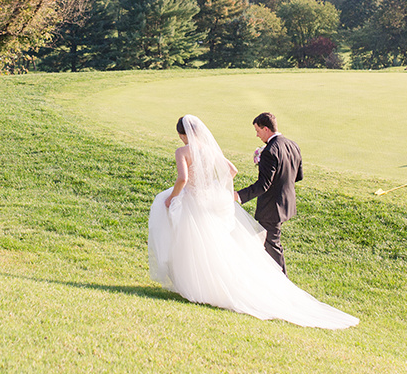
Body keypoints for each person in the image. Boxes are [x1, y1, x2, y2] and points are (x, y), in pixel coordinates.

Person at [148, 115, 358, 330]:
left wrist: (172, 197)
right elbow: (232, 170)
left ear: (183, 134)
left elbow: (182, 179)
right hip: (208, 200)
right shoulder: (210, 150)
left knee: (193, 240)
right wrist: (215, 188)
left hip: (194, 200)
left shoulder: (182, 152)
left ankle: (200, 285)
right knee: (214, 243)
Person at [235, 112, 300, 273]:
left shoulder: (270, 151)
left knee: (271, 243)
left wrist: (239, 195)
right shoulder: (293, 145)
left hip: (272, 207)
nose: (257, 135)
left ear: (266, 129)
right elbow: (297, 176)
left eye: (258, 131)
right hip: (286, 203)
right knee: (267, 241)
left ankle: (281, 281)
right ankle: (267, 275)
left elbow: (263, 185)